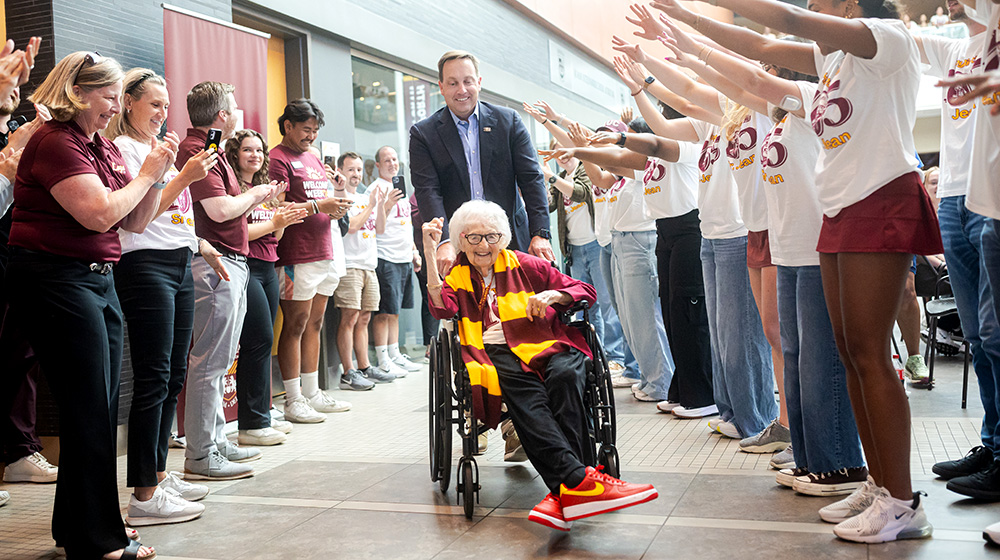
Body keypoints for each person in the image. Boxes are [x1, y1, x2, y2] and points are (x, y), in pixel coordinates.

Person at [663, 0, 941, 543]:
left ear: (849, 4)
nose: (808, 6)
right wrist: (687, 34)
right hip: (839, 209)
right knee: (850, 353)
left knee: (868, 354)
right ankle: (882, 485)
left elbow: (776, 34)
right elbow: (751, 72)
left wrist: (698, 11)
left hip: (880, 198)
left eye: (818, 1)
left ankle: (905, 503)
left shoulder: (885, 38)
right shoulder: (831, 68)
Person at [657, 7, 868, 497]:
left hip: (799, 235)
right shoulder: (766, 114)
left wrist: (692, 37)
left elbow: (750, 68)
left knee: (802, 343)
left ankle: (826, 451)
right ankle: (804, 440)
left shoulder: (803, 101)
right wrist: (673, 56)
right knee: (784, 339)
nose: (764, 75)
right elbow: (697, 89)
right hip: (770, 233)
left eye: (773, 71)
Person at [8, 50, 174, 560]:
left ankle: (80, 526)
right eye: (108, 95)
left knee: (98, 408)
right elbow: (100, 213)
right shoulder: (56, 141)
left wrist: (158, 175)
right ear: (79, 93)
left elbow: (136, 221)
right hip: (57, 280)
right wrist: (145, 175)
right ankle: (96, 538)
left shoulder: (95, 143)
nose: (114, 106)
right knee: (87, 411)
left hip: (96, 280)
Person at [421, 199, 658, 531]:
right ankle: (581, 481)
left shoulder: (525, 264)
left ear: (502, 237)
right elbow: (441, 308)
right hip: (496, 353)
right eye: (473, 238)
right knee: (527, 397)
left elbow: (583, 291)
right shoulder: (458, 277)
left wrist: (553, 297)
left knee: (565, 378)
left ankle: (566, 491)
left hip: (549, 342)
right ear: (461, 241)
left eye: (491, 236)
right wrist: (429, 252)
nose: (483, 245)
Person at [104, 67, 218, 526]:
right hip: (144, 262)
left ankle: (158, 473)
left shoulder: (158, 150)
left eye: (166, 107)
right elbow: (139, 212)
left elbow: (179, 218)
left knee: (172, 374)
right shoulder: (125, 149)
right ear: (128, 102)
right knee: (153, 376)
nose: (162, 113)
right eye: (154, 104)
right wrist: (184, 176)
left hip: (177, 260)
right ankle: (143, 495)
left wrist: (201, 246)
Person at [178, 81, 280, 481]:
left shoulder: (214, 150)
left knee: (219, 361)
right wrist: (259, 195)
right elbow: (220, 211)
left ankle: (215, 441)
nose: (238, 112)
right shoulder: (197, 151)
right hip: (215, 264)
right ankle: (201, 455)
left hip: (232, 262)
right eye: (234, 107)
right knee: (209, 360)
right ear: (221, 115)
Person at [410, 50, 554, 274]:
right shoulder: (423, 134)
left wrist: (540, 233)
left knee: (522, 308)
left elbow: (531, 180)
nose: (461, 90)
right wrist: (444, 241)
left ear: (479, 82)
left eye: (468, 81)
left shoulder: (509, 122)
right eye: (452, 83)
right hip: (458, 247)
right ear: (441, 87)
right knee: (465, 309)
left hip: (512, 242)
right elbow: (428, 191)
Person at [271, 99, 353, 422]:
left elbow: (322, 201)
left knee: (316, 323)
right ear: (288, 126)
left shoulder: (314, 157)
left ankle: (312, 391)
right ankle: (292, 399)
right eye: (306, 130)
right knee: (296, 324)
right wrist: (321, 206)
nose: (311, 137)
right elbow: (280, 210)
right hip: (296, 253)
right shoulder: (277, 160)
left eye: (315, 131)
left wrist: (338, 203)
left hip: (324, 250)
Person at [0, 40, 59, 489]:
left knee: (23, 354)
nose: (15, 87)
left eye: (18, 82)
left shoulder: (20, 130)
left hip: (19, 257)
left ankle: (21, 450)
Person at [226, 129, 306, 440]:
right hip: (245, 266)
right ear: (236, 153)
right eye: (248, 150)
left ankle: (262, 412)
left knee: (263, 340)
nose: (255, 156)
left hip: (268, 265)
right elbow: (239, 233)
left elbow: (276, 236)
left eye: (259, 150)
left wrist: (280, 219)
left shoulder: (262, 190)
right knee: (257, 339)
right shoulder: (234, 189)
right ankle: (252, 423)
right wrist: (274, 221)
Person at [333, 151, 394, 389]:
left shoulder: (363, 197)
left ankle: (364, 366)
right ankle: (348, 372)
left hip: (369, 264)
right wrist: (370, 205)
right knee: (349, 317)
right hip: (349, 265)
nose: (356, 174)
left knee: (365, 317)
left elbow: (379, 228)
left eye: (358, 170)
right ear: (340, 171)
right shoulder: (340, 197)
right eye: (351, 170)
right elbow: (351, 226)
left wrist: (381, 206)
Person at [369, 145, 422, 377]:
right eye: (386, 160)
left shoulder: (399, 188)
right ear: (378, 165)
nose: (392, 163)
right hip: (385, 256)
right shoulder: (376, 189)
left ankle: (395, 353)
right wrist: (387, 203)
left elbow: (406, 225)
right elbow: (376, 226)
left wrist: (414, 251)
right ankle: (383, 359)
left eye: (394, 159)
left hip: (403, 257)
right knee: (384, 311)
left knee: (397, 310)